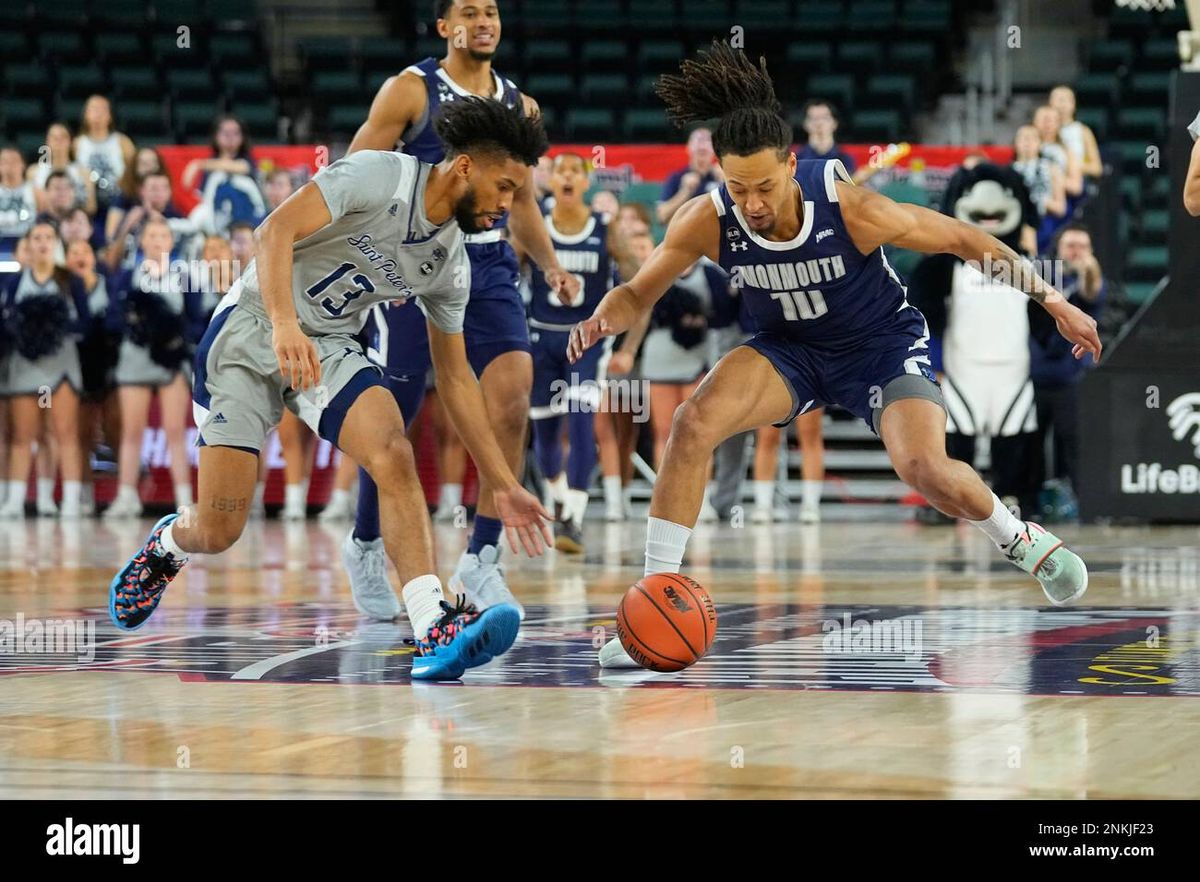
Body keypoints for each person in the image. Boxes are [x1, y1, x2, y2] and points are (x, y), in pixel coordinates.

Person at [566, 43, 1102, 669]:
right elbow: (640, 291)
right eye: (738, 188)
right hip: (788, 351)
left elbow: (961, 238)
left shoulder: (848, 207)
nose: (753, 203)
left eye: (764, 186)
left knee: (924, 468)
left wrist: (1052, 299)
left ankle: (1020, 540)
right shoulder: (706, 220)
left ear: (792, 166)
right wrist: (609, 312)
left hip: (879, 344)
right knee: (692, 423)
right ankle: (653, 608)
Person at [107, 97, 553, 682]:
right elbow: (273, 231)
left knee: (392, 448)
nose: (507, 206)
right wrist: (285, 323)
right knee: (220, 528)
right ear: (464, 167)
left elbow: (456, 380)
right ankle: (169, 545)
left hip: (327, 347)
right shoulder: (378, 174)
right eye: (505, 187)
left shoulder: (450, 264)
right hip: (252, 327)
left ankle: (431, 625)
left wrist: (502, 482)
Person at [341, 0, 579, 621]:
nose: (484, 20)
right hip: (409, 261)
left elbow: (521, 201)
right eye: (469, 11)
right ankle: (366, 543)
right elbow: (355, 172)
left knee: (512, 392)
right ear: (444, 26)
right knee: (395, 412)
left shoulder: (520, 107)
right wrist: (370, 258)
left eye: (492, 10)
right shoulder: (409, 90)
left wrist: (550, 262)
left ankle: (481, 557)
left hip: (489, 263)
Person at [521, 152, 636, 553]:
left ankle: (575, 518)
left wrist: (629, 346)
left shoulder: (606, 228)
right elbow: (504, 277)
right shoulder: (534, 226)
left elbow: (640, 290)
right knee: (546, 434)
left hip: (588, 341)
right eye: (560, 171)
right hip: (541, 339)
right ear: (550, 181)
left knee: (582, 419)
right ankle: (558, 499)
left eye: (576, 171)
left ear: (586, 183)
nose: (568, 177)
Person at [104, 219, 204, 518]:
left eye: (163, 235)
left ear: (172, 242)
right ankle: (126, 496)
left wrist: (175, 335)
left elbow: (197, 319)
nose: (158, 240)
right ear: (142, 241)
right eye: (151, 235)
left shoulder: (184, 275)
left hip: (170, 359)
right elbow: (112, 317)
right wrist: (138, 326)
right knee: (131, 432)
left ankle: (184, 501)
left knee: (175, 430)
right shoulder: (127, 275)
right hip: (135, 356)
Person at [0, 222, 89, 518]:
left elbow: (85, 324)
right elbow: (7, 322)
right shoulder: (15, 282)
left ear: (55, 243)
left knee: (60, 432)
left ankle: (65, 500)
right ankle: (14, 500)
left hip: (59, 369)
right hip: (27, 368)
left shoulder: (69, 280)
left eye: (48, 237)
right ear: (27, 244)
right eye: (36, 238)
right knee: (24, 434)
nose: (42, 243)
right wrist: (26, 329)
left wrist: (53, 327)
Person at [1029, 223, 1105, 508]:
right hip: (1034, 375)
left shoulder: (1089, 279)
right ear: (1059, 250)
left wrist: (1089, 268)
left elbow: (1092, 289)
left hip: (1070, 378)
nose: (1077, 252)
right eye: (1071, 246)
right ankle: (1032, 501)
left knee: (1074, 442)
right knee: (1030, 445)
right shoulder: (1044, 278)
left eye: (1083, 247)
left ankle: (1082, 501)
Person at [66, 237, 120, 516]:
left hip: (107, 364)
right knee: (81, 434)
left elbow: (114, 322)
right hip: (75, 365)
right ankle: (83, 494)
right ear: (66, 260)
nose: (79, 256)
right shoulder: (63, 287)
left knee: (115, 430)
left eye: (85, 250)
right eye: (73, 251)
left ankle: (125, 494)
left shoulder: (107, 282)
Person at [183, 115, 266, 235]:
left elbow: (241, 167)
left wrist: (198, 164)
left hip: (247, 223)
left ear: (243, 136)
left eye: (235, 133)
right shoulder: (209, 167)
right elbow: (191, 188)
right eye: (225, 133)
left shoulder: (248, 161)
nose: (230, 137)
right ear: (216, 136)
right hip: (216, 223)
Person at [73, 95, 136, 241]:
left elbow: (134, 172)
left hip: (117, 203)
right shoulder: (77, 144)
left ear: (110, 116)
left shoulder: (122, 142)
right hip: (88, 205)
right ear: (85, 115)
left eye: (102, 109)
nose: (98, 113)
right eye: (93, 109)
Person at [1012, 125, 1067, 255]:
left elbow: (1061, 207)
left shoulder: (1052, 169)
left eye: (1032, 138)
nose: (1027, 142)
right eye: (1023, 138)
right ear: (1016, 143)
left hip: (1044, 224)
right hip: (1016, 226)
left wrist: (1038, 201)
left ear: (1040, 143)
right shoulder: (1009, 171)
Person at [656, 127, 724, 225]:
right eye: (699, 151)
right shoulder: (677, 177)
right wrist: (684, 192)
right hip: (686, 231)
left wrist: (725, 183)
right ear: (688, 148)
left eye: (705, 152)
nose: (702, 156)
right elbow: (661, 217)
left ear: (714, 151)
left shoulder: (722, 176)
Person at [28, 122, 95, 217]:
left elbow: (91, 208)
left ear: (71, 141)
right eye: (54, 138)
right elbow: (31, 206)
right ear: (47, 141)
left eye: (63, 137)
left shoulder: (84, 173)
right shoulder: (33, 172)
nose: (58, 141)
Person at [1048, 86, 1102, 182]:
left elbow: (1096, 168)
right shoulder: (1043, 129)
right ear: (1050, 103)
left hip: (1075, 182)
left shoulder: (1083, 131)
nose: (1062, 105)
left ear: (1073, 104)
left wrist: (1071, 166)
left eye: (1066, 100)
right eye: (1059, 100)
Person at [0, 147, 37, 256]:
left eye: (14, 161)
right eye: (4, 161)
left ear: (23, 164)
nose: (9, 165)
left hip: (28, 246)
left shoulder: (36, 192)